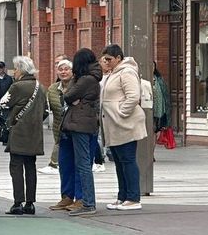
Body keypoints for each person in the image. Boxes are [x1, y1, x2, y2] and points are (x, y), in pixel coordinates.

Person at [99, 45, 147, 211]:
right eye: (104, 59)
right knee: (119, 161)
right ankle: (123, 196)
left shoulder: (126, 72)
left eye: (109, 59)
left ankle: (133, 197)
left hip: (125, 123)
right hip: (115, 124)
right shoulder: (113, 73)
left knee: (127, 160)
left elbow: (133, 96)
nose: (106, 62)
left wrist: (120, 112)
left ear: (118, 58)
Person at [0, 56, 47, 215]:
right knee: (30, 167)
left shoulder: (17, 87)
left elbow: (3, 104)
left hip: (19, 131)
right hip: (35, 132)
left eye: (16, 69)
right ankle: (30, 203)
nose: (14, 72)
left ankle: (17, 202)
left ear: (22, 70)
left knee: (16, 167)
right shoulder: (40, 87)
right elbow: (46, 111)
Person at [59, 48, 102, 216]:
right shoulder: (91, 78)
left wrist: (74, 98)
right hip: (83, 123)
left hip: (80, 125)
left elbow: (68, 96)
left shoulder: (86, 80)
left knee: (83, 164)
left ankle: (88, 202)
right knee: (81, 163)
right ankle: (84, 200)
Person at [42, 55, 70, 176]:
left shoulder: (78, 85)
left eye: (66, 69)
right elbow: (48, 107)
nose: (63, 72)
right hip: (58, 126)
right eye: (60, 69)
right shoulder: (52, 88)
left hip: (74, 126)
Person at [152, 62, 171, 133]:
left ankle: (157, 127)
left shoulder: (158, 78)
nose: (152, 68)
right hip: (151, 100)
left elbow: (164, 90)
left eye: (153, 66)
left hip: (159, 101)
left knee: (158, 115)